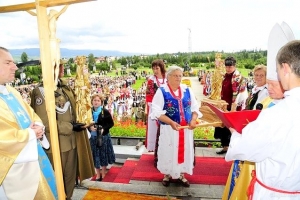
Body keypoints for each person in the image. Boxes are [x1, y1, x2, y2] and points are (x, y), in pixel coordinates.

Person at [226, 40, 300, 199]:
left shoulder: (276, 114)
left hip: (275, 194)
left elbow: (243, 148)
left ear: (285, 68)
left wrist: (235, 132)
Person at [31, 63, 94, 200]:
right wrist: (71, 127)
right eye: (58, 66)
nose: (62, 69)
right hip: (56, 144)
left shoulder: (64, 86)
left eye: (62, 65)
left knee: (70, 180)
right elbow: (44, 122)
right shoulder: (40, 91)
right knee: (55, 182)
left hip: (72, 142)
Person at [0, 46, 57, 199]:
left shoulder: (12, 92)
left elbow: (31, 115)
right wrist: (30, 134)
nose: (15, 67)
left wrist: (38, 127)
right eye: (8, 63)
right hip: (14, 171)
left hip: (35, 158)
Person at [150, 65, 202, 187]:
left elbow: (195, 108)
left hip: (186, 130)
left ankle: (181, 174)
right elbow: (156, 111)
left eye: (180, 75)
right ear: (168, 77)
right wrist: (171, 122)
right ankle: (167, 174)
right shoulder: (162, 91)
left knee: (184, 151)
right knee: (169, 150)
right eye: (175, 75)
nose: (178, 78)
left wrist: (193, 120)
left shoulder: (187, 90)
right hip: (169, 129)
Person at [214, 56, 248, 154]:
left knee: (231, 128)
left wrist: (234, 105)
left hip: (234, 106)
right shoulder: (225, 76)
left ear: (234, 66)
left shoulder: (238, 77)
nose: (228, 68)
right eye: (227, 66)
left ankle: (233, 149)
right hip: (224, 105)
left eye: (230, 67)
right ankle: (225, 147)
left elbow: (241, 94)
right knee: (223, 128)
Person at [88, 94, 115, 181]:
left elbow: (111, 123)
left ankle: (103, 172)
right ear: (92, 101)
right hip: (93, 137)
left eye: (98, 100)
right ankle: (97, 173)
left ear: (101, 102)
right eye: (94, 100)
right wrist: (89, 127)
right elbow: (85, 123)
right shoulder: (89, 112)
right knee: (95, 155)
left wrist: (103, 128)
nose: (96, 102)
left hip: (103, 137)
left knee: (103, 154)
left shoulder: (105, 111)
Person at [145, 59, 167, 155]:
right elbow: (148, 94)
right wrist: (151, 107)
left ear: (161, 68)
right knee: (154, 127)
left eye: (157, 68)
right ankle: (156, 149)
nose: (155, 70)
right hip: (154, 107)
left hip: (167, 106)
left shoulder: (168, 78)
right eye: (153, 68)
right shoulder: (151, 80)